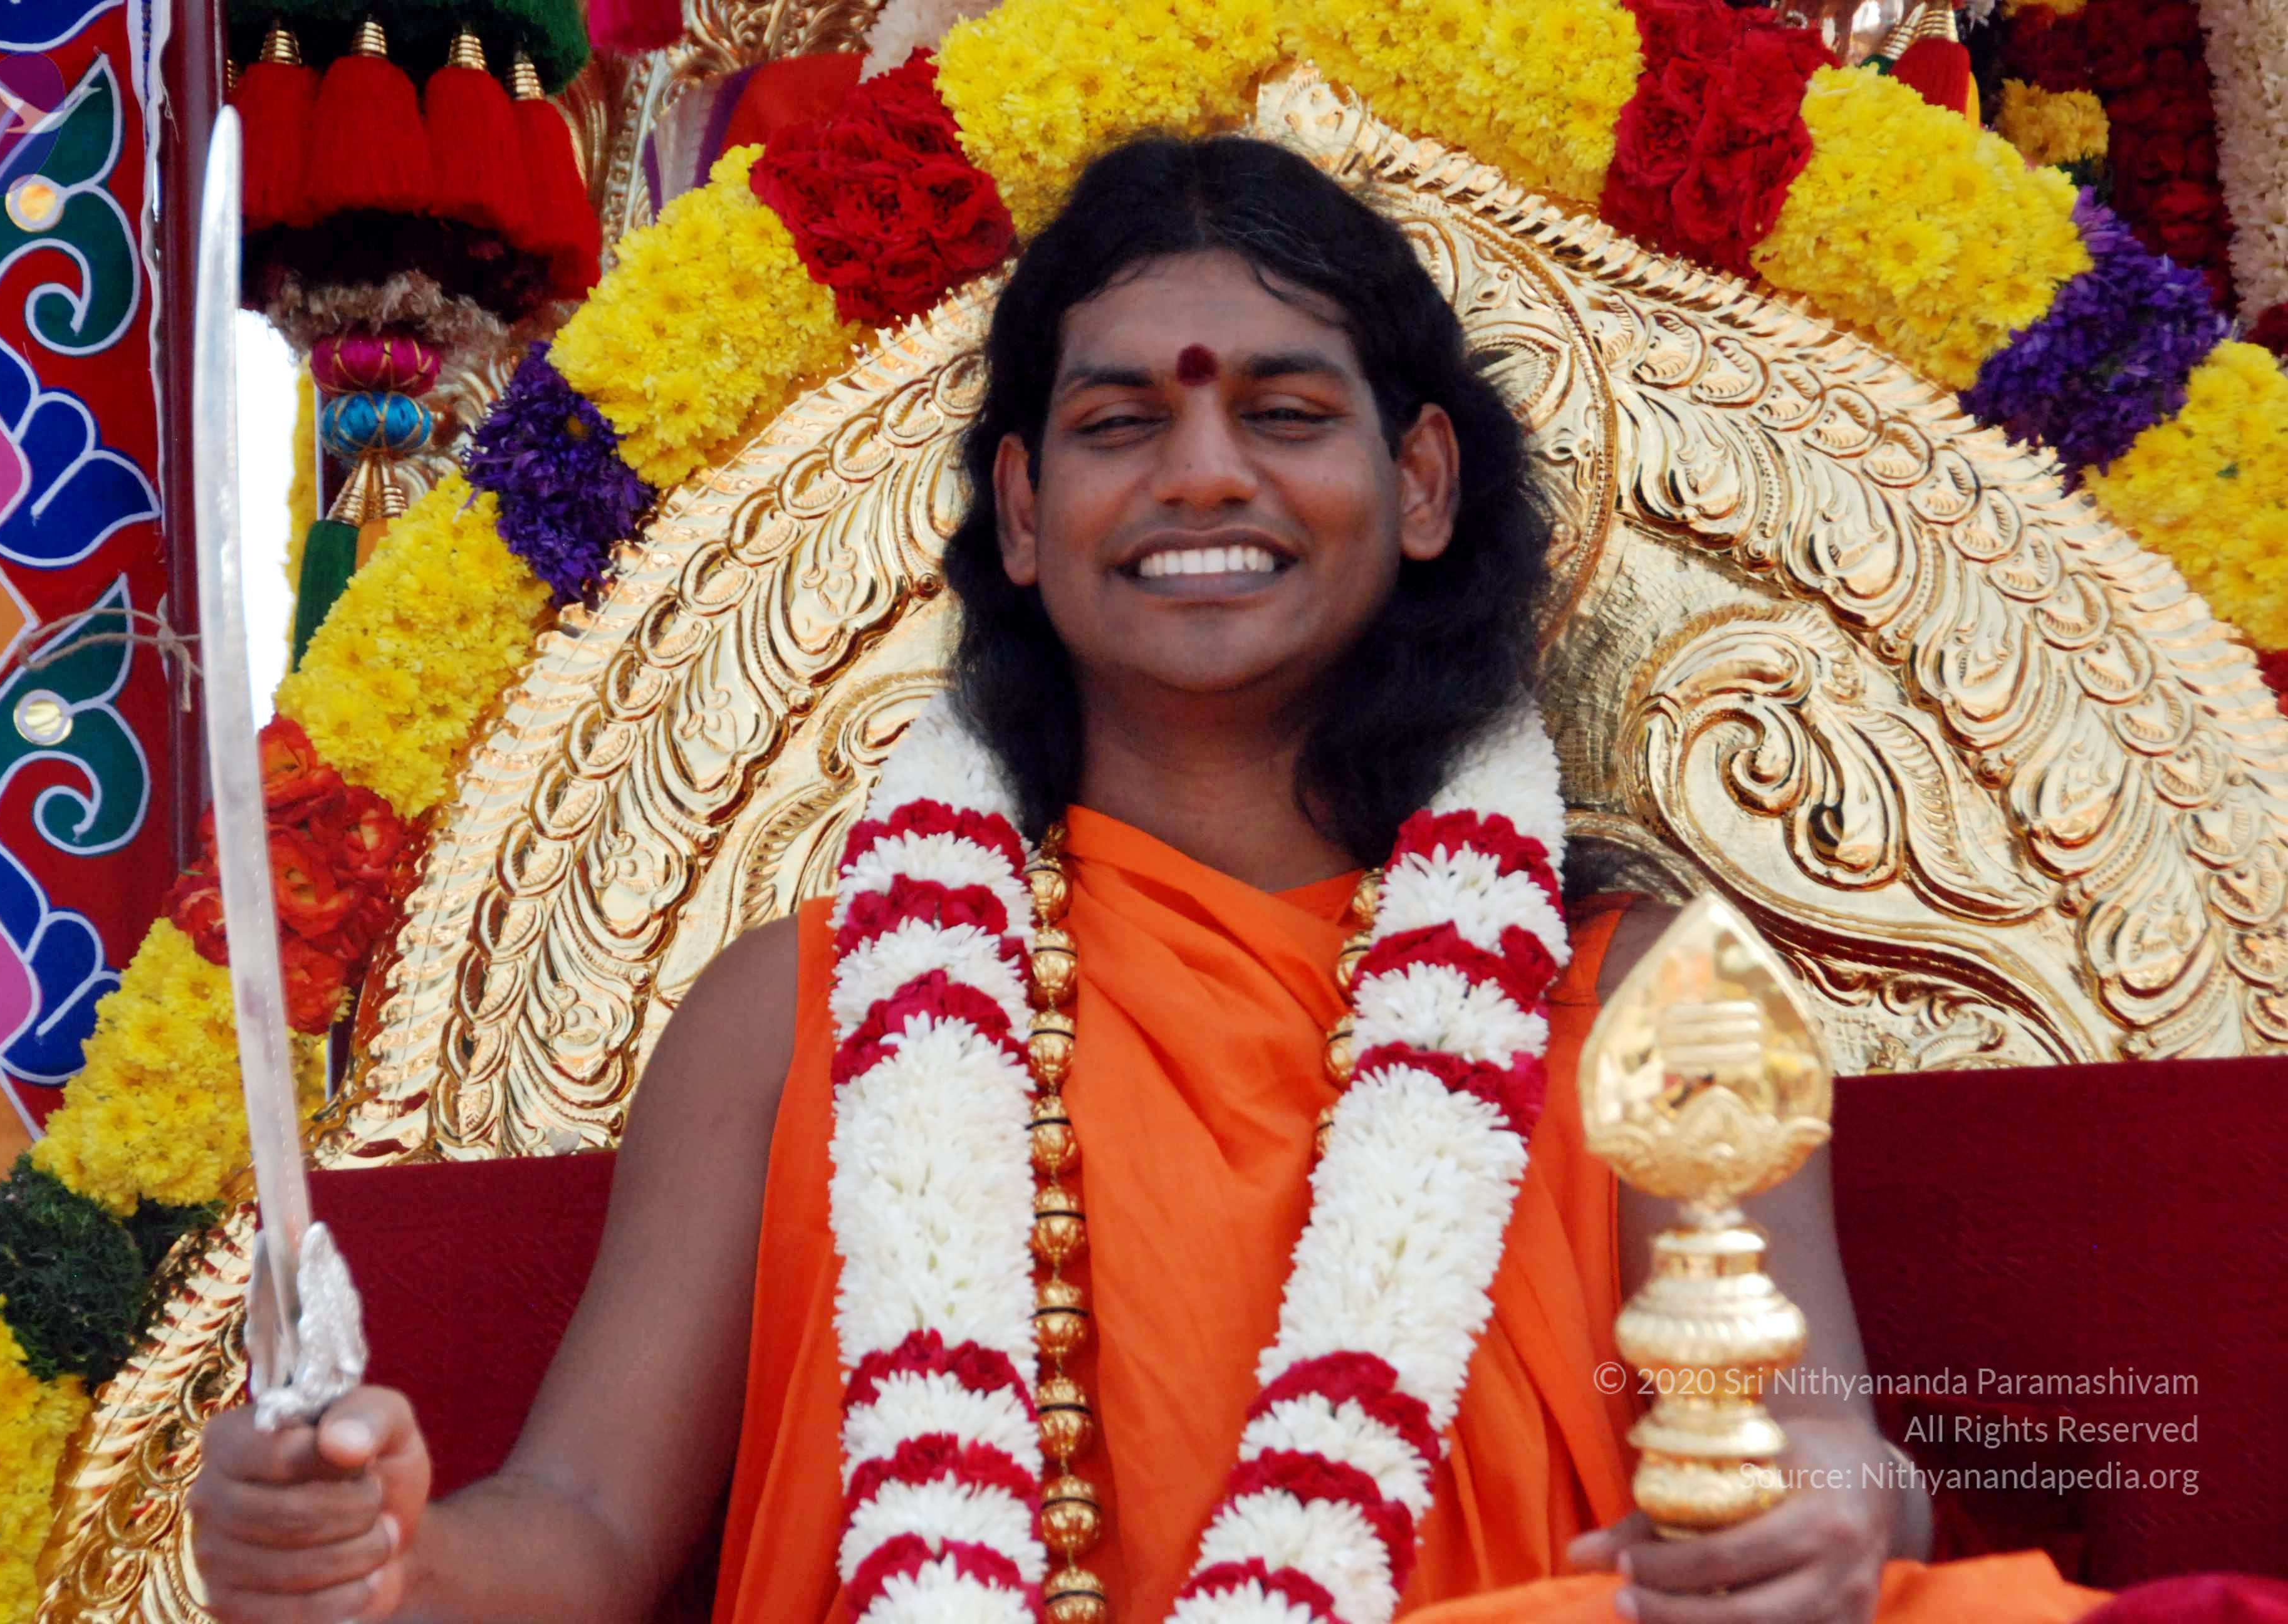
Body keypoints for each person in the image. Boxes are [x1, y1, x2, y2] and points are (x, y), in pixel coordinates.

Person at [191, 137, 2104, 1624]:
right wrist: (371, 1557)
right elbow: (586, 1524)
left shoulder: (1644, 996)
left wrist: (1828, 1524)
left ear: (1424, 482)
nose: (1201, 474)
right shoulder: (793, 1012)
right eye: (1120, 423)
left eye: (1285, 412)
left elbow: (1825, 1451)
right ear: (1024, 512)